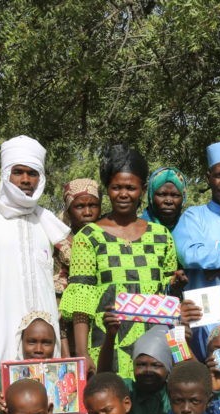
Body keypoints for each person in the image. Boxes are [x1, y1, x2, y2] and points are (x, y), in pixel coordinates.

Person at [61, 144, 179, 377]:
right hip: (104, 343)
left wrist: (178, 350)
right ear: (107, 190)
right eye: (116, 187)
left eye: (130, 187)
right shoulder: (89, 236)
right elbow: (81, 301)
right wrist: (82, 352)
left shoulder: (161, 236)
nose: (123, 194)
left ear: (142, 190)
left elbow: (169, 299)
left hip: (152, 346)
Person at [0, 135, 70, 376]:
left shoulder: (47, 221)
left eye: (32, 173)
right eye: (18, 172)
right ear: (5, 175)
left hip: (46, 336)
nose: (25, 180)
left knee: (49, 400)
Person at [173, 142, 220, 355]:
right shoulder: (193, 217)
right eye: (219, 175)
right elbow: (190, 254)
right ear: (209, 178)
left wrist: (216, 261)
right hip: (203, 315)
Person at [55, 179, 102, 355]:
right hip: (70, 328)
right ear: (68, 209)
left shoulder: (110, 238)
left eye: (93, 205)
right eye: (80, 207)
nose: (88, 212)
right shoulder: (59, 244)